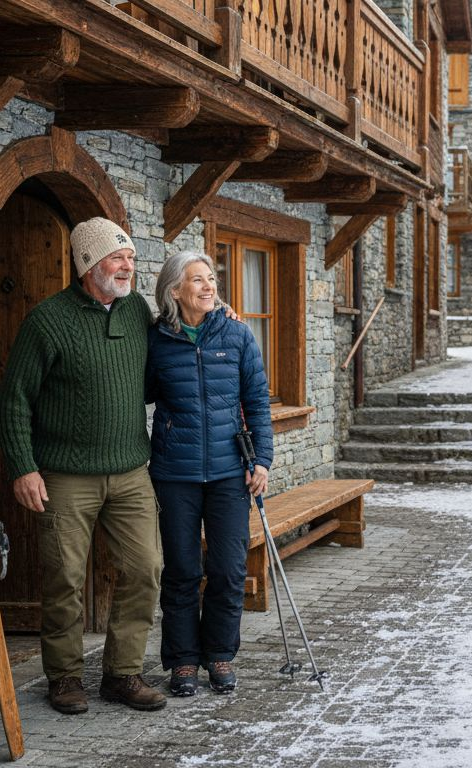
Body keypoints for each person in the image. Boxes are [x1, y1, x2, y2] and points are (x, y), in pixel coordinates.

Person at [0, 217, 167, 714]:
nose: (128, 267)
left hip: (132, 470)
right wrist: (23, 467)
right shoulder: (47, 320)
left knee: (146, 568)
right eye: (118, 258)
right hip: (65, 475)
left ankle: (122, 674)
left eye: (131, 258)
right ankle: (66, 677)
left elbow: (171, 353)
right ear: (89, 263)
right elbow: (14, 401)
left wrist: (220, 320)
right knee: (64, 576)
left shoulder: (136, 310)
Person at [146, 250, 273, 696]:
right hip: (175, 474)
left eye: (211, 279)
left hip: (228, 473)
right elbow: (138, 393)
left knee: (227, 570)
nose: (209, 287)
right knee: (181, 569)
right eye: (197, 280)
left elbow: (258, 402)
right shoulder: (156, 339)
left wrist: (262, 461)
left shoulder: (237, 335)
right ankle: (182, 661)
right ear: (174, 289)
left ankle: (219, 655)